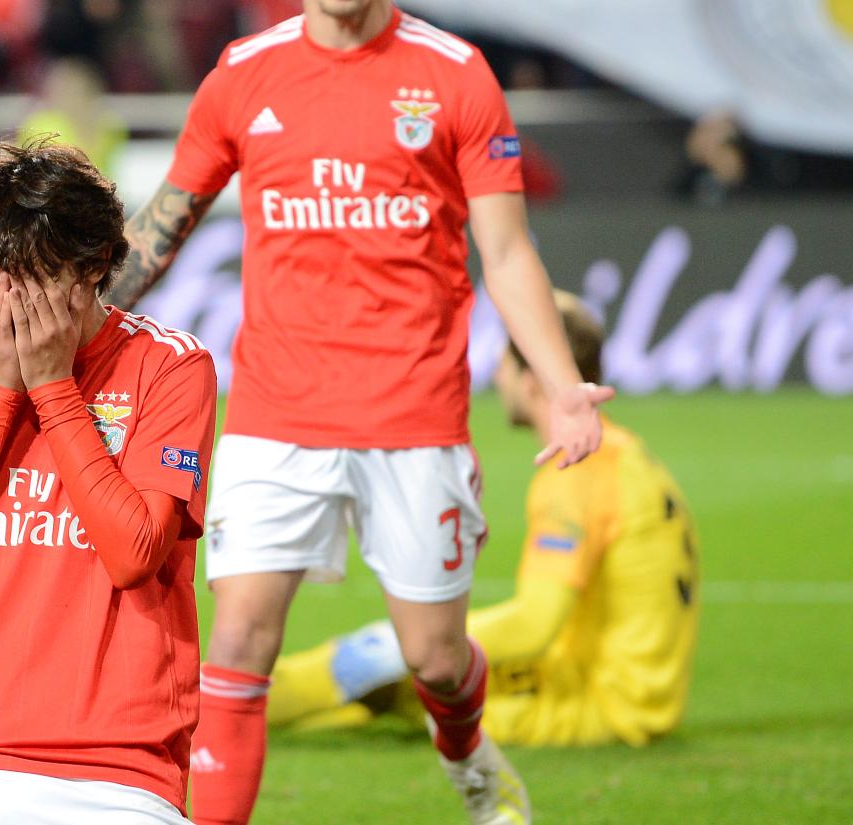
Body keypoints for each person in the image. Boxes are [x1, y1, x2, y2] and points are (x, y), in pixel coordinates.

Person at [101, 2, 617, 823]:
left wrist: (559, 382)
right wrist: (77, 321)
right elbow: (162, 226)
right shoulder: (244, 72)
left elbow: (509, 250)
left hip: (412, 415)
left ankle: (471, 757)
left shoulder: (453, 73)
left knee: (436, 659)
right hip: (275, 411)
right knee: (235, 644)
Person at [0, 140, 216, 824]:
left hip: (116, 768)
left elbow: (133, 553)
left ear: (92, 269)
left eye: (30, 276)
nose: (8, 300)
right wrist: (3, 396)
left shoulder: (170, 368)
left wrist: (55, 389)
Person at [267, 292, 700, 749]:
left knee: (389, 668)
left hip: (597, 703)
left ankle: (223, 704)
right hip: (636, 690)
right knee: (398, 674)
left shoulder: (577, 471)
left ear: (533, 378)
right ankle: (235, 703)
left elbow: (535, 625)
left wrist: (407, 645)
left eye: (506, 363)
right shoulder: (620, 450)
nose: (496, 375)